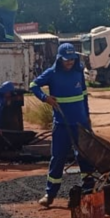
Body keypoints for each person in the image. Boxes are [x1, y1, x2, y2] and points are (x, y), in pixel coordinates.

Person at [30, 43, 95, 207]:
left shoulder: (78, 71)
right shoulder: (52, 73)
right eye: (66, 60)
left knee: (84, 156)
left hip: (80, 124)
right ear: (59, 59)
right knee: (58, 157)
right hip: (61, 124)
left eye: (72, 59)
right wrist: (46, 98)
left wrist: (87, 118)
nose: (69, 63)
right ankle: (50, 194)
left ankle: (89, 190)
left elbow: (84, 95)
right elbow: (33, 85)